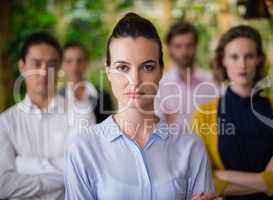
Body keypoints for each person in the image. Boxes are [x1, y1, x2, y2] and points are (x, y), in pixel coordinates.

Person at [64, 13, 215, 200]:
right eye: (123, 67)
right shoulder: (83, 149)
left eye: (147, 67)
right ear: (108, 72)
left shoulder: (191, 147)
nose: (135, 80)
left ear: (161, 71)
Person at [192, 25, 273, 200]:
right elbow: (204, 181)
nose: (242, 64)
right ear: (223, 61)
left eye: (249, 56)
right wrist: (267, 178)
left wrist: (226, 176)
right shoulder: (203, 115)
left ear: (258, 60)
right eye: (234, 57)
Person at [0, 32, 74, 199]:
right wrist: (61, 179)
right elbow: (3, 185)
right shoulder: (5, 122)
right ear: (22, 66)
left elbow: (83, 171)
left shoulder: (79, 114)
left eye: (51, 64)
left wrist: (23, 165)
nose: (44, 72)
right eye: (36, 63)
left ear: (59, 68)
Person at [155, 22, 219, 130]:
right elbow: (157, 128)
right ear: (169, 49)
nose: (184, 52)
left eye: (189, 45)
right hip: (172, 146)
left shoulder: (212, 82)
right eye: (178, 46)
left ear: (196, 46)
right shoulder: (160, 86)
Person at [60, 41, 113, 126]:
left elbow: (109, 130)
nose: (75, 66)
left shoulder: (103, 96)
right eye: (69, 61)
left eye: (79, 61)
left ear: (86, 63)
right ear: (62, 64)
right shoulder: (57, 98)